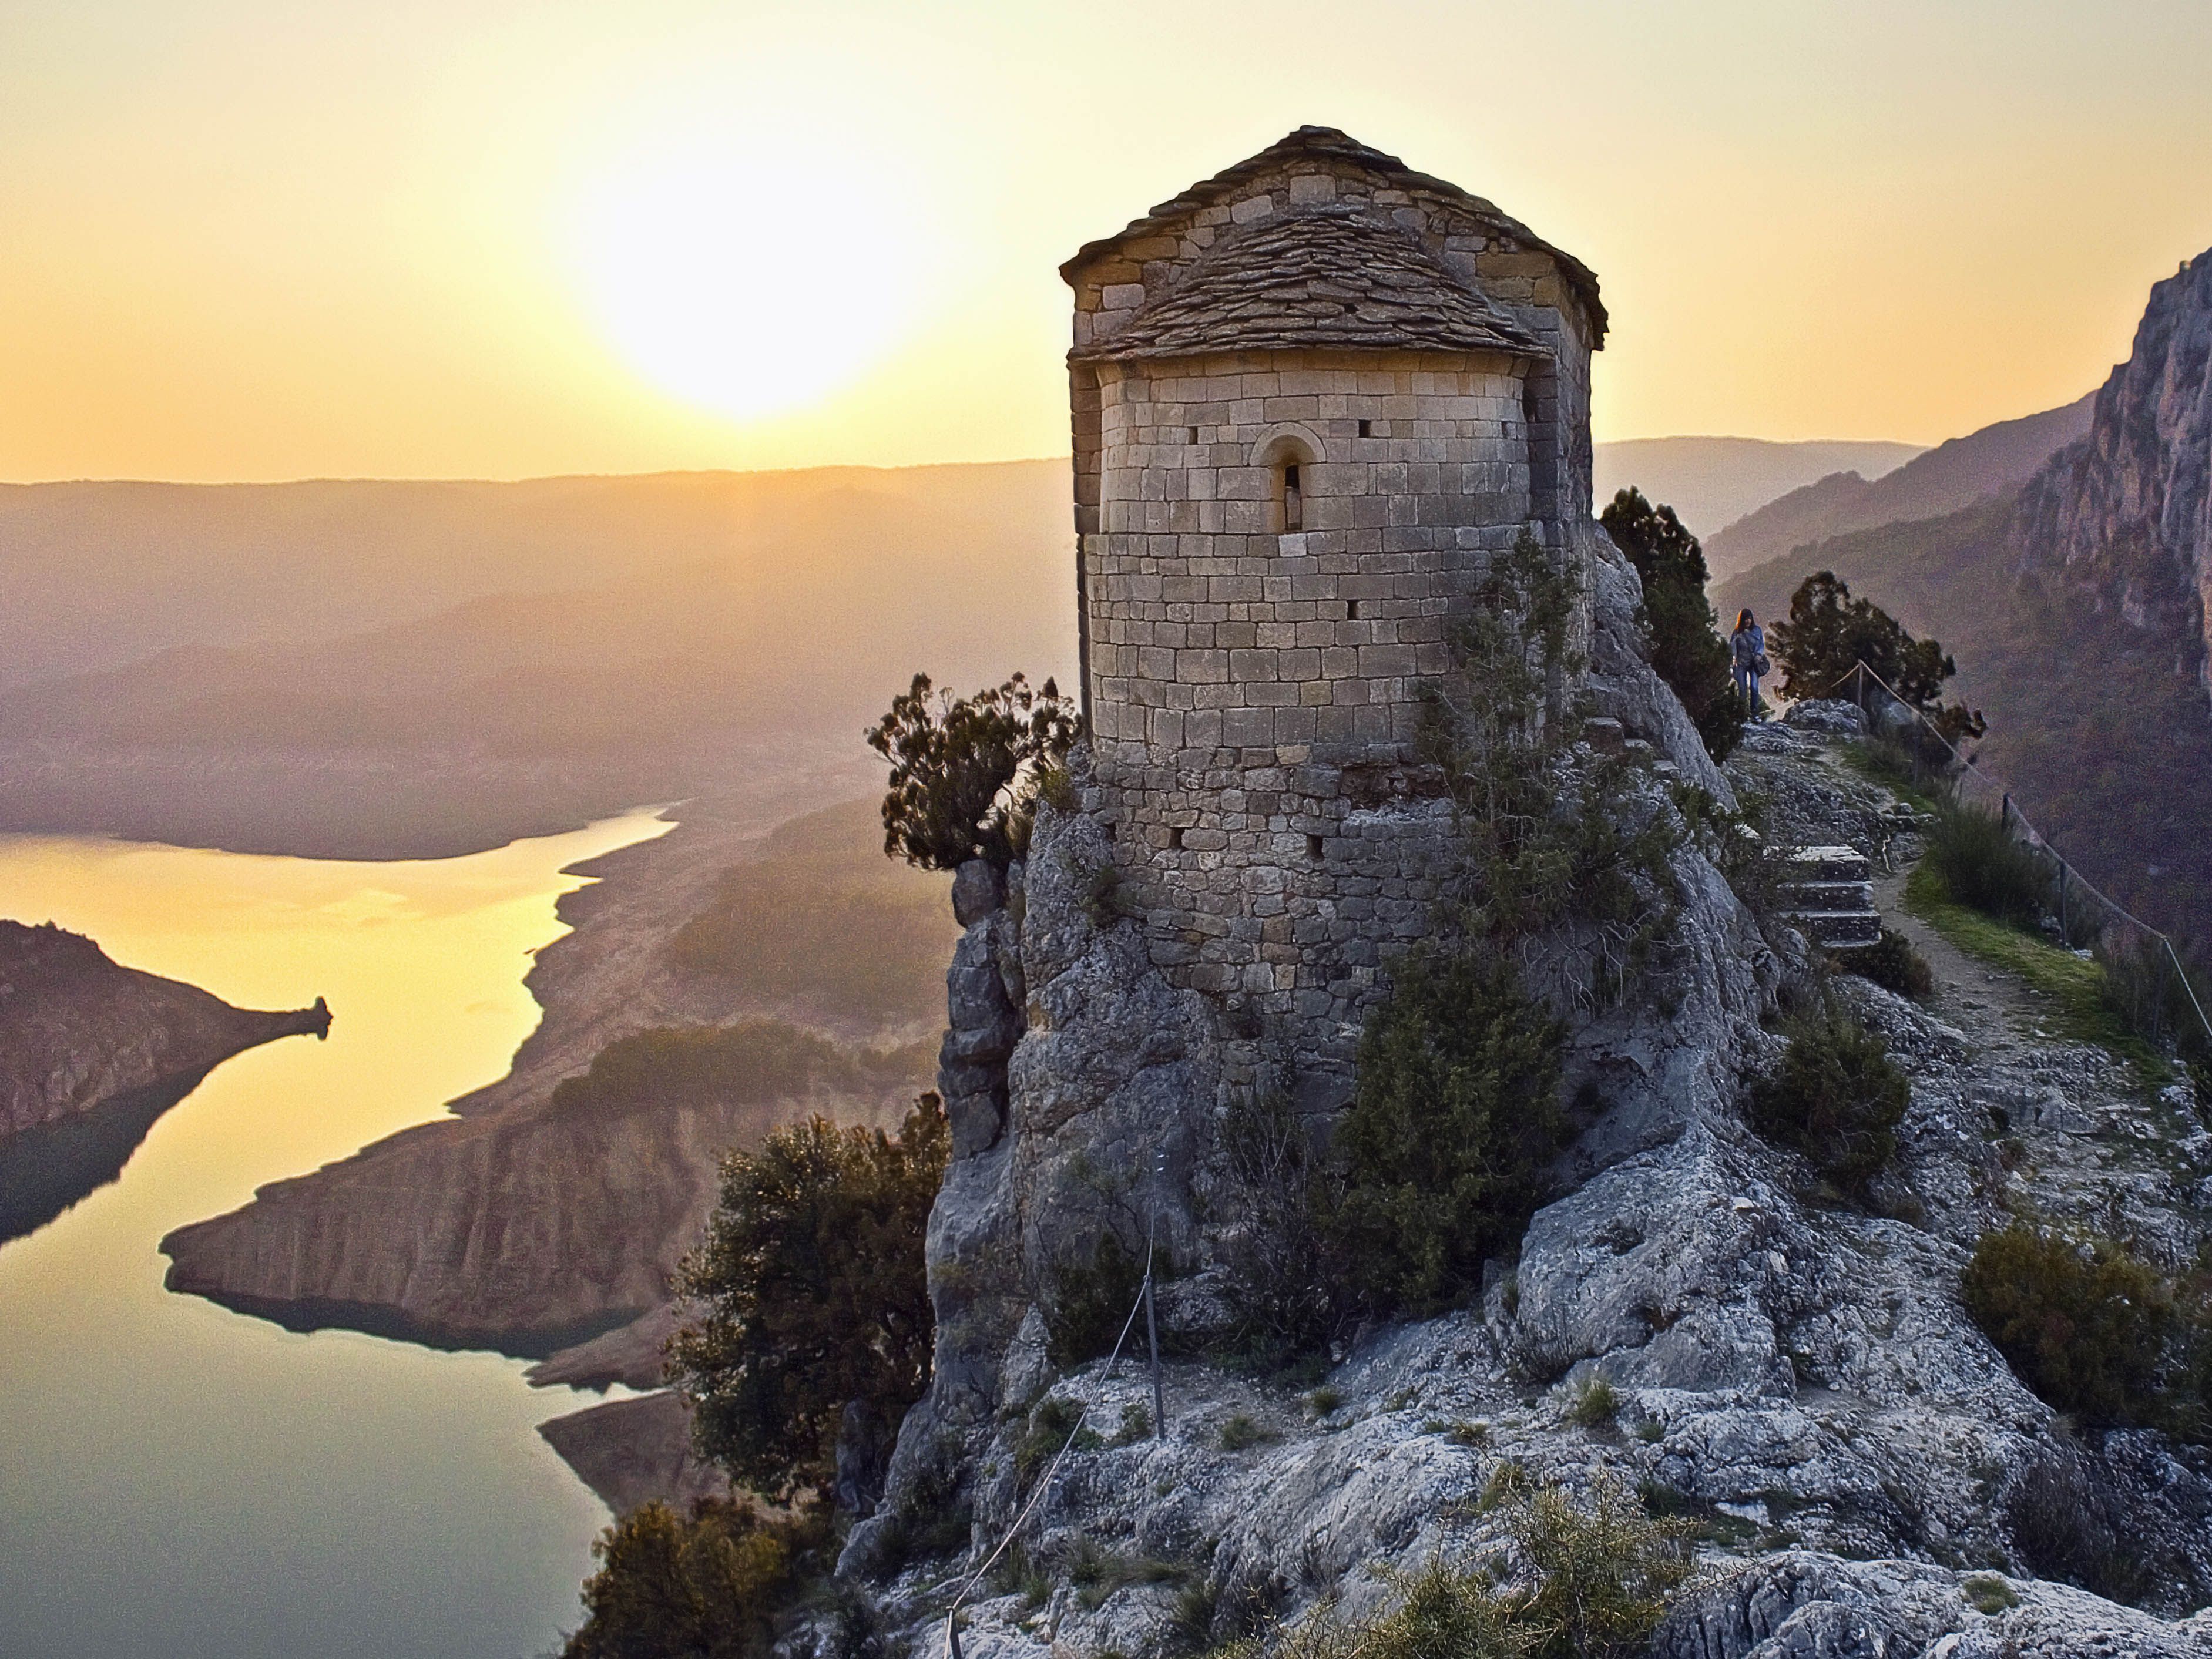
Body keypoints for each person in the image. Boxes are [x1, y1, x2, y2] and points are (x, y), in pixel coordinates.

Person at [1730, 608, 1768, 717]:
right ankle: (1742, 714)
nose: (1748, 621)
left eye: (1750, 619)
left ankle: (1754, 713)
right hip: (1741, 664)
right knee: (1742, 689)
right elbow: (1732, 647)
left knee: (1754, 687)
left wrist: (1758, 655)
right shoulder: (1737, 632)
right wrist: (1733, 661)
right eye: (1746, 619)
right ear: (1741, 620)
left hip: (1753, 664)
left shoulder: (1757, 630)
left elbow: (1761, 645)